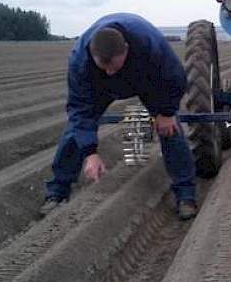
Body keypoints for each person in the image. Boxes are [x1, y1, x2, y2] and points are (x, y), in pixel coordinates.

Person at [40, 13, 198, 220]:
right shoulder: (81, 62)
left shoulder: (148, 44)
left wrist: (166, 113)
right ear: (92, 55)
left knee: (169, 129)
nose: (110, 72)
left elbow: (175, 78)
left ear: (126, 49)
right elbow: (80, 110)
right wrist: (90, 152)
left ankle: (185, 195)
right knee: (74, 132)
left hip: (147, 80)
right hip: (100, 88)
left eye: (113, 66)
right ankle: (57, 191)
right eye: (103, 67)